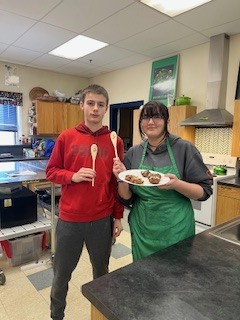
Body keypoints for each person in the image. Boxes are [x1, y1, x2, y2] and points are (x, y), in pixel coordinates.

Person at [46, 84, 124, 320]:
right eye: (90, 103)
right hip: (71, 220)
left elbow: (115, 183)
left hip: (102, 219)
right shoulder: (67, 137)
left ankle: (100, 314)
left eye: (101, 105)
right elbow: (51, 171)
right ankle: (56, 315)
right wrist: (72, 176)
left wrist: (118, 216)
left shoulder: (114, 141)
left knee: (101, 273)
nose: (95, 109)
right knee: (62, 274)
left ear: (105, 108)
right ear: (82, 105)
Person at [113, 100, 213, 261]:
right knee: (143, 275)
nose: (151, 122)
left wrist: (177, 184)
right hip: (143, 228)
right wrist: (121, 178)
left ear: (166, 120)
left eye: (157, 117)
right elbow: (127, 198)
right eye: (145, 118)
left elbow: (204, 192)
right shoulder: (134, 153)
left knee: (175, 278)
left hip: (176, 228)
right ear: (140, 122)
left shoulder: (184, 149)